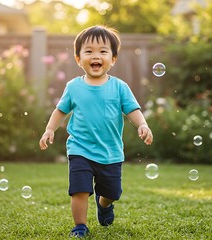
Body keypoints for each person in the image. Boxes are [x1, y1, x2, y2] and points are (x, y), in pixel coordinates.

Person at [39, 25, 153, 238]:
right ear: (78, 59)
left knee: (112, 193)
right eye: (88, 51)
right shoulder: (73, 87)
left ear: (113, 58)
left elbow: (133, 110)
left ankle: (104, 205)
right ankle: (80, 226)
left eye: (103, 51)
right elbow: (60, 110)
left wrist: (143, 125)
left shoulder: (119, 87)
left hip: (110, 153)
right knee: (79, 190)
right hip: (79, 149)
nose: (95, 56)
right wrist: (49, 129)